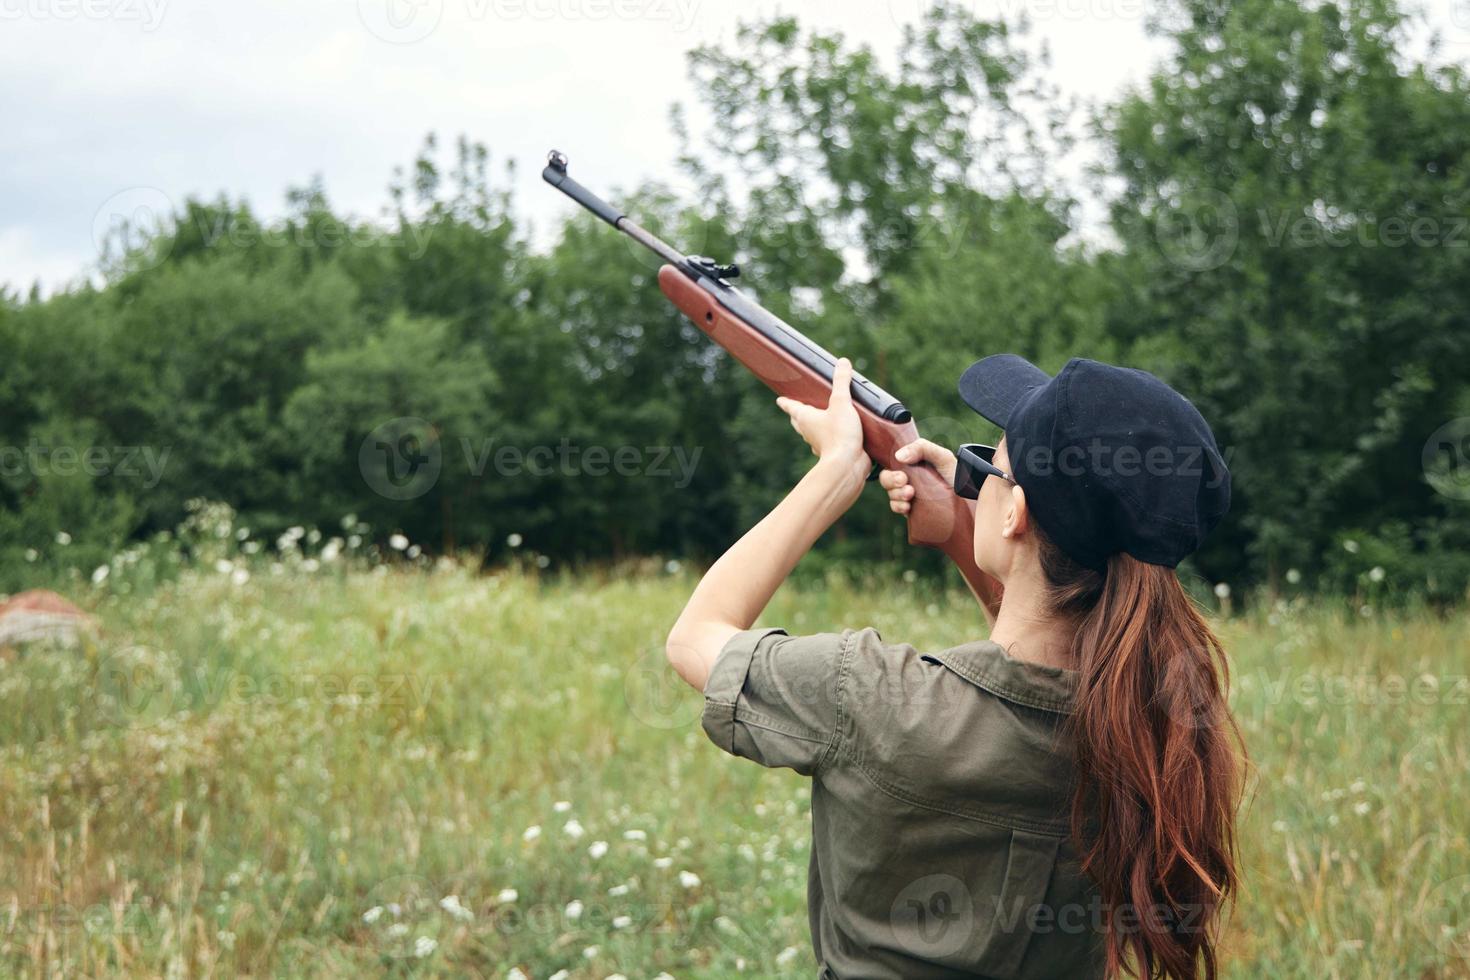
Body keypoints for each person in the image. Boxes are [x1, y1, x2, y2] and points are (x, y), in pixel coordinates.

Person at [666, 353, 1244, 980]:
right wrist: (959, 527)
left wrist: (836, 472)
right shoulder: (1154, 729)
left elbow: (695, 639)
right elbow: (1036, 665)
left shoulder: (866, 695)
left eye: (984, 467)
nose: (972, 479)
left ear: (1015, 513)